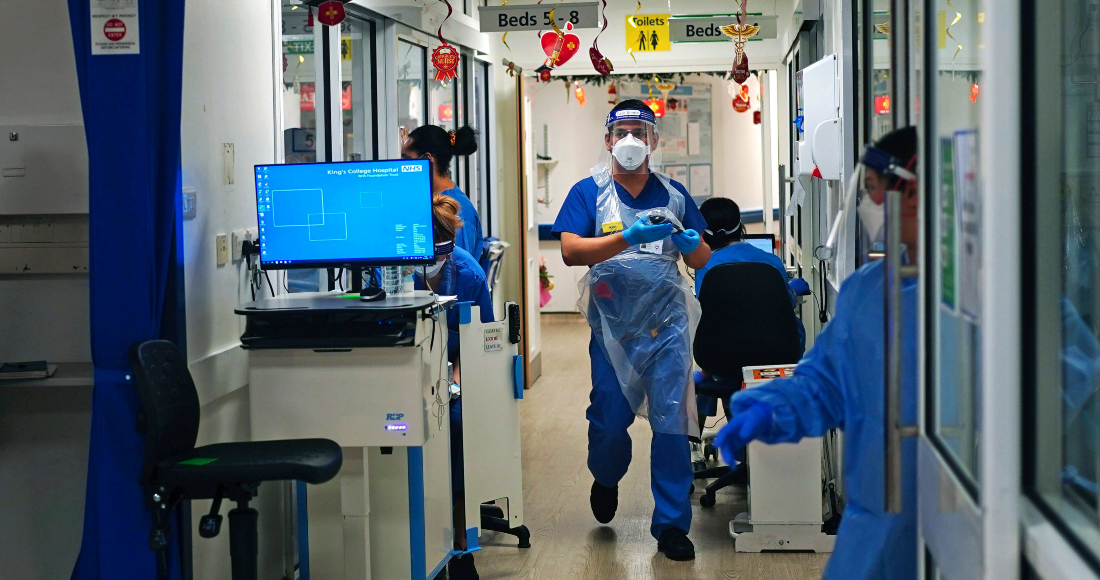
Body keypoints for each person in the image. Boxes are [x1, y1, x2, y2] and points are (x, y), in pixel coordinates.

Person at [714, 126, 919, 580]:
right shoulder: (869, 292)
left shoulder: (1001, 301)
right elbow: (823, 382)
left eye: (873, 190)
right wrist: (767, 409)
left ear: (915, 193)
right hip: (875, 533)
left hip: (966, 533)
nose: (866, 205)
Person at [553, 99, 712, 561]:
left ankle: (672, 525)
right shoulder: (588, 192)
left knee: (673, 422)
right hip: (612, 329)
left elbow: (702, 258)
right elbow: (570, 251)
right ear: (607, 140)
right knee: (608, 420)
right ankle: (605, 477)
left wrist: (690, 244)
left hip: (667, 325)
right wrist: (628, 237)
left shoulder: (674, 194)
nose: (630, 140)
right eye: (621, 132)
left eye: (639, 132)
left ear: (654, 141)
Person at [417, 194, 494, 580]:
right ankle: (417, 533)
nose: (432, 260)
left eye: (440, 252)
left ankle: (461, 541)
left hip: (456, 369)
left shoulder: (467, 275)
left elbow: (481, 343)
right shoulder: (390, 271)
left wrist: (455, 385)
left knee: (458, 425)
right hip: (409, 370)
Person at [692, 197, 806, 421]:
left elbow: (706, 316)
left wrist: (706, 369)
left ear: (703, 231)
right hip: (776, 356)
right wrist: (792, 291)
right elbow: (784, 305)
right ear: (740, 226)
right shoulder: (771, 261)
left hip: (721, 360)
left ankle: (705, 416)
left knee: (713, 342)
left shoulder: (705, 265)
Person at [402, 125, 484, 258]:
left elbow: (458, 267)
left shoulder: (456, 213)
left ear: (427, 159)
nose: (401, 167)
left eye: (406, 159)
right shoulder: (428, 199)